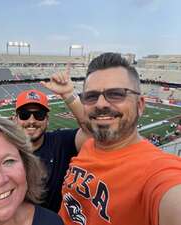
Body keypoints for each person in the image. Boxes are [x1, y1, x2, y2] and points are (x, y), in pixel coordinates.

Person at [55, 52, 181, 225]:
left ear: (140, 105)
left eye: (116, 94)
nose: (100, 104)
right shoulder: (88, 144)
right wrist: (69, 95)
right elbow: (85, 122)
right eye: (91, 96)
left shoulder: (157, 171)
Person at [14, 89, 87, 212]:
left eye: (39, 115)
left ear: (47, 120)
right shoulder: (4, 150)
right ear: (16, 119)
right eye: (24, 115)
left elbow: (92, 132)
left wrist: (68, 94)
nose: (31, 121)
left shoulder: (61, 142)